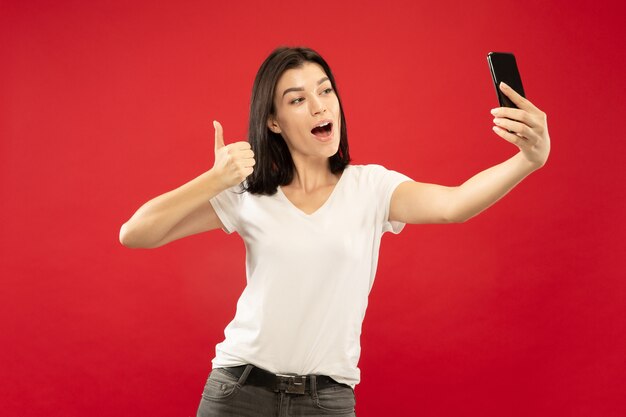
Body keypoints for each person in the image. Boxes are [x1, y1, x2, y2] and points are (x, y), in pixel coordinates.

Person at [119, 46, 550, 417]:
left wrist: (528, 160)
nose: (320, 106)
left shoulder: (372, 188)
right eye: (298, 99)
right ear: (272, 121)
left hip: (325, 402)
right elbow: (136, 233)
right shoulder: (251, 195)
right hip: (238, 393)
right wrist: (214, 180)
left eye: (325, 91)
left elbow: (455, 204)